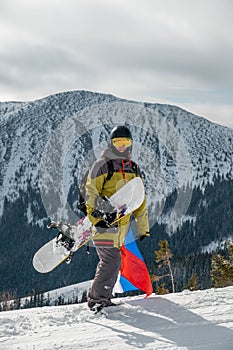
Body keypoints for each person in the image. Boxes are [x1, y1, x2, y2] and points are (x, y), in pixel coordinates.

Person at [85, 125, 150, 311]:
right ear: (111, 144)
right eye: (117, 142)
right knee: (111, 261)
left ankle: (101, 298)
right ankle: (97, 300)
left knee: (114, 261)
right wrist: (96, 216)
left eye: (125, 142)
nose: (121, 146)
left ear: (131, 144)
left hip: (121, 228)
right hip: (103, 223)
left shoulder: (133, 168)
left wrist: (143, 227)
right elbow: (90, 192)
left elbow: (140, 200)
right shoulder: (101, 165)